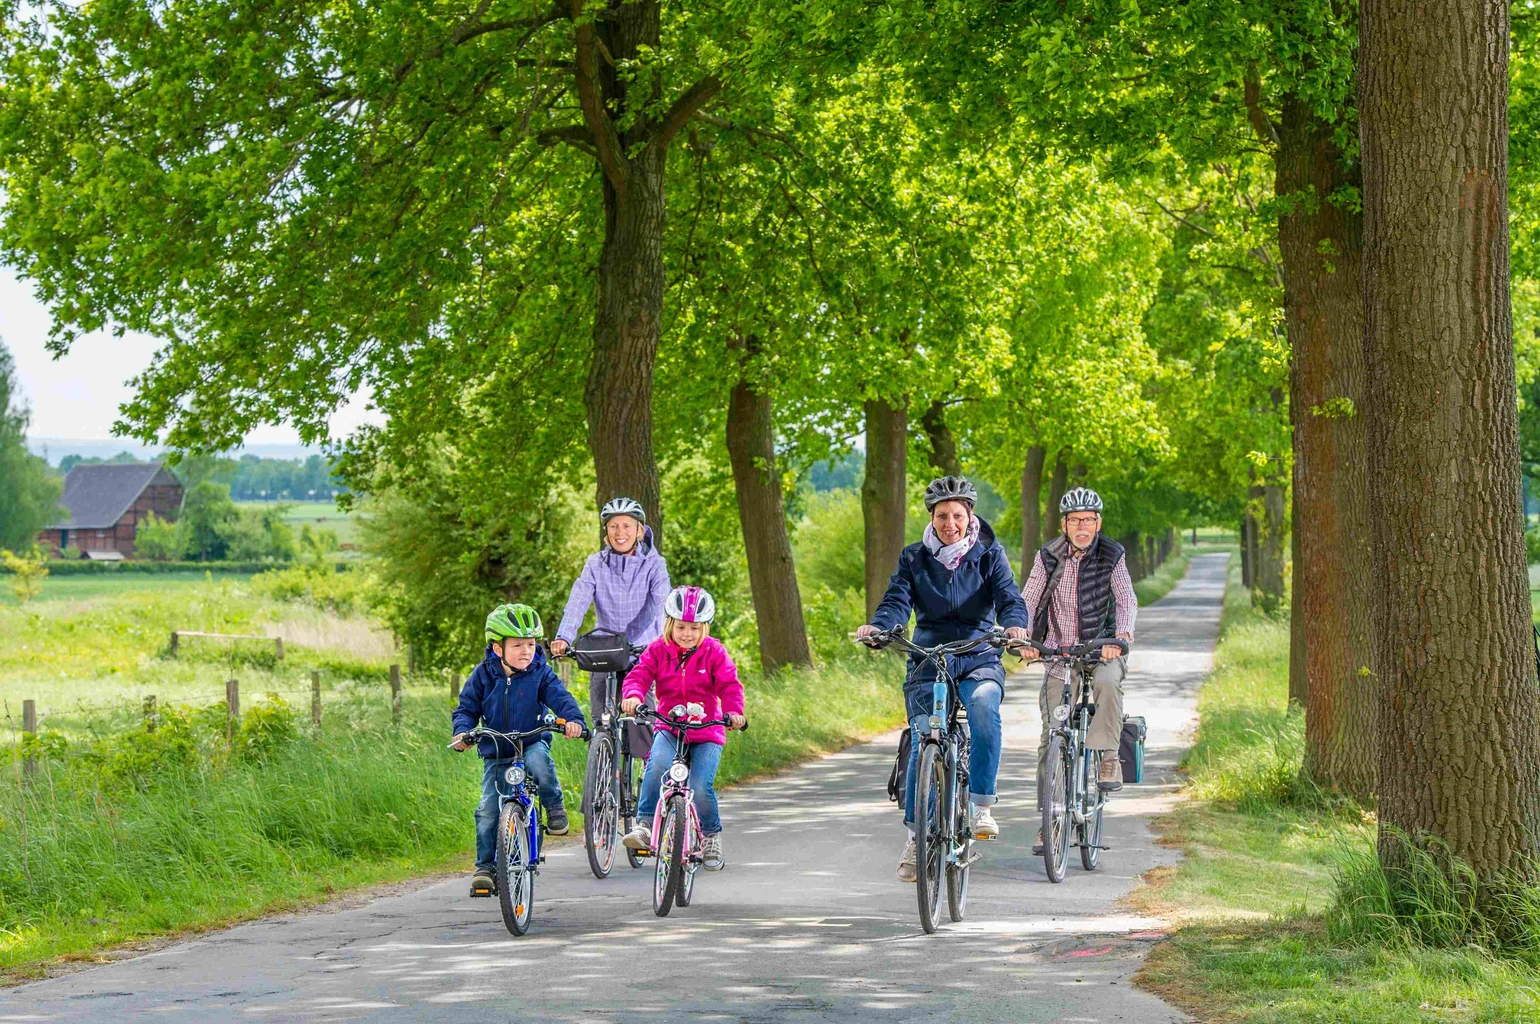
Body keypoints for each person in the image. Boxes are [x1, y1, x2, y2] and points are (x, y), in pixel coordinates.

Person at [856, 475, 1030, 882]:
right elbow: (897, 599)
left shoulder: (989, 553)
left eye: (957, 514)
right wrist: (881, 628)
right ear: (931, 518)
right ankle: (917, 839)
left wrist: (1015, 626)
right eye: (941, 516)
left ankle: (980, 805)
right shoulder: (913, 557)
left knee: (985, 707)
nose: (949, 523)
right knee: (924, 739)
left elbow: (1009, 596)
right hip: (928, 656)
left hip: (979, 652)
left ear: (970, 516)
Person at [1019, 486, 1137, 855]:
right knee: (1050, 736)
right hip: (1059, 652)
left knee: (1106, 682)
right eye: (1075, 520)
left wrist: (1120, 636)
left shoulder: (1112, 554)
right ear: (1064, 524)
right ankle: (1049, 821)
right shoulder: (1048, 556)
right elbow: (1029, 597)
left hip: (1102, 649)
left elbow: (1127, 599)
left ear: (1098, 523)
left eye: (1088, 520)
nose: (1082, 526)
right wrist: (1021, 635)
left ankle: (1107, 758)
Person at [451, 604, 586, 897]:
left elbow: (561, 699)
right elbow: (466, 709)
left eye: (531, 644)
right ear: (498, 648)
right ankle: (485, 868)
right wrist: (463, 732)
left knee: (541, 765)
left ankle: (554, 807)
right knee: (487, 810)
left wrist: (574, 720)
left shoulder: (541, 673)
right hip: (497, 749)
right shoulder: (483, 675)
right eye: (517, 645)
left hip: (531, 740)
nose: (526, 651)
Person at [619, 586, 746, 871]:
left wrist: (734, 712)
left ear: (705, 627)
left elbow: (729, 685)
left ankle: (711, 837)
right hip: (670, 727)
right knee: (657, 766)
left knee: (701, 786)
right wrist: (634, 696)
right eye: (681, 627)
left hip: (706, 732)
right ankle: (644, 824)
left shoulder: (714, 651)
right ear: (669, 624)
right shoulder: (658, 650)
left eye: (694, 627)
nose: (687, 633)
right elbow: (639, 674)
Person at [550, 497, 672, 757]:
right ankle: (605, 775)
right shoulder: (596, 563)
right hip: (605, 650)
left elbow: (663, 602)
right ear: (606, 533)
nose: (620, 533)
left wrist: (665, 638)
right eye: (614, 526)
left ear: (639, 530)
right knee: (601, 721)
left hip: (642, 650)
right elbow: (578, 601)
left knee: (642, 723)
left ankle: (649, 780)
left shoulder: (654, 564)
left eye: (627, 526)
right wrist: (564, 636)